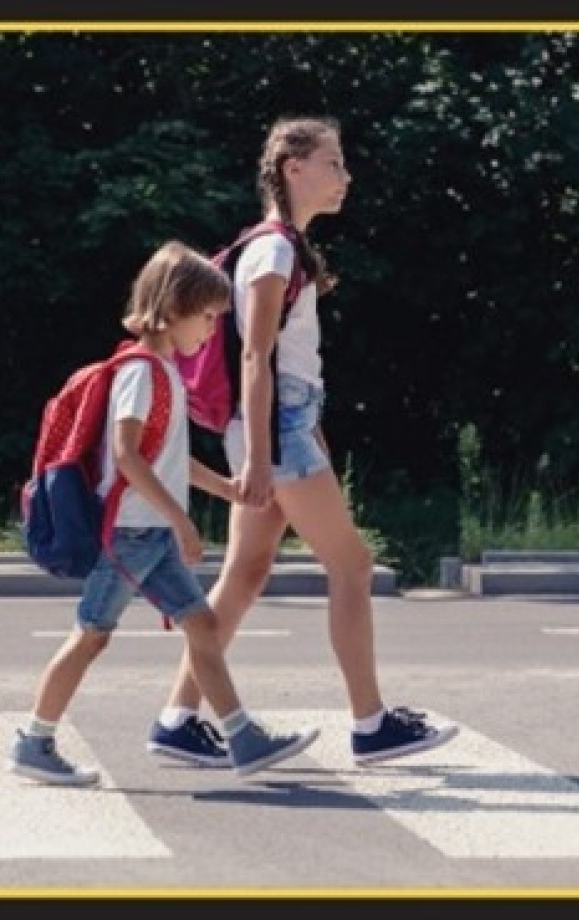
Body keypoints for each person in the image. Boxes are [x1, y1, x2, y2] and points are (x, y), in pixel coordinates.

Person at [148, 117, 459, 768]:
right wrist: (264, 457)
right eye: (334, 163)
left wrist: (294, 434)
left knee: (246, 572)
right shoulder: (274, 252)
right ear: (294, 168)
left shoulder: (280, 249)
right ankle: (371, 723)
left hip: (281, 425)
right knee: (352, 566)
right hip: (273, 429)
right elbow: (256, 358)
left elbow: (280, 364)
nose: (345, 177)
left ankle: (177, 719)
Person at [10, 242, 319, 787]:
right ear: (173, 309)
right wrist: (180, 520)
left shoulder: (164, 373)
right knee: (91, 635)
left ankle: (242, 737)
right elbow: (128, 455)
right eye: (207, 317)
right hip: (130, 532)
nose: (210, 331)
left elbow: (168, 458)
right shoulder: (142, 372)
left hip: (147, 532)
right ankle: (34, 740)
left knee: (201, 624)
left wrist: (225, 488)